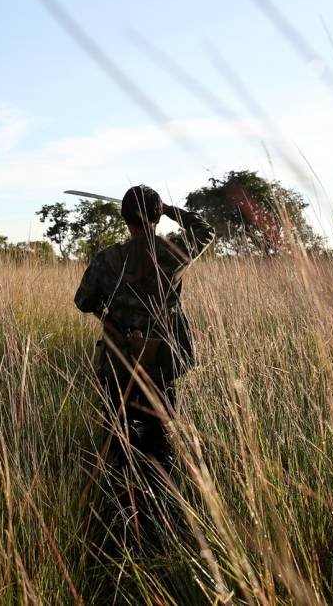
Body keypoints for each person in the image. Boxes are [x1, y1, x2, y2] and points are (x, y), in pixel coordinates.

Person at [74, 185, 215, 518]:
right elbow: (205, 231)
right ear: (155, 216)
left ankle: (121, 511)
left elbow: (83, 302)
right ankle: (163, 511)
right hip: (160, 361)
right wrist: (168, 210)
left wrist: (111, 318)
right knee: (160, 436)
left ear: (124, 218)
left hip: (118, 361)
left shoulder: (107, 259)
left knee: (118, 436)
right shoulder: (173, 252)